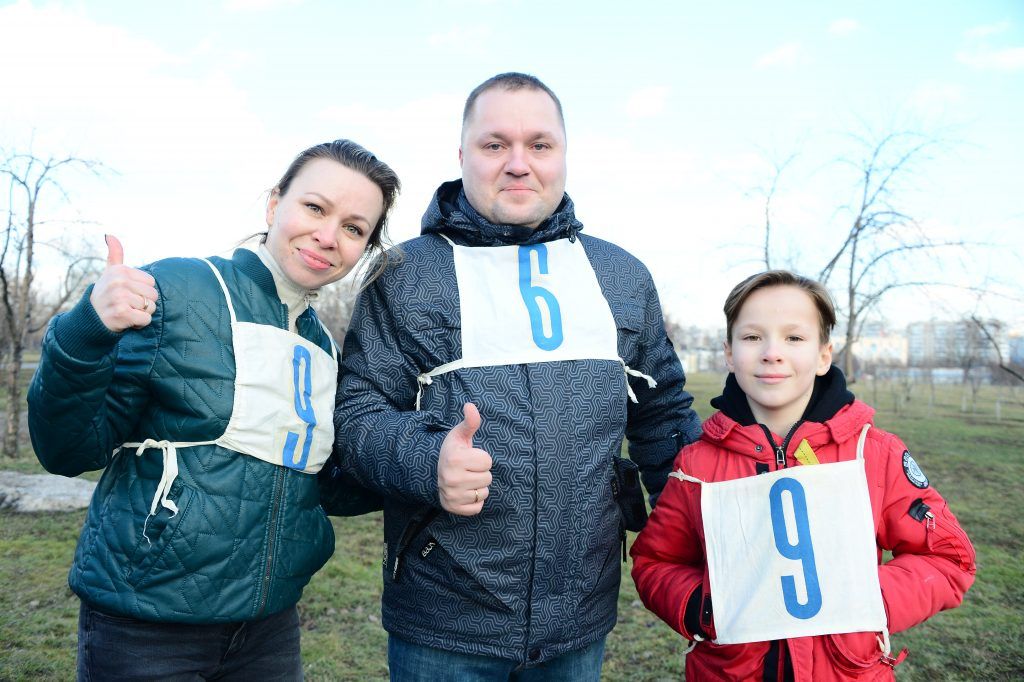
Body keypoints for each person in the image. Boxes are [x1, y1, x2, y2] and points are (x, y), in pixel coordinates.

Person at [331, 72, 702, 680]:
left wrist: (706, 527)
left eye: (539, 144)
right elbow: (357, 415)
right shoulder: (404, 273)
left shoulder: (622, 275)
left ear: (564, 154)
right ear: (462, 156)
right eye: (494, 144)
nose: (518, 164)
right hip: (443, 623)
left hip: (578, 619)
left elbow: (665, 417)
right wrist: (428, 464)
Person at [27, 139, 399, 680]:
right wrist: (86, 331)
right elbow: (67, 449)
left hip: (268, 630)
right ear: (275, 205)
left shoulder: (324, 348)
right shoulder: (179, 288)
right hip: (146, 627)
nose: (328, 236)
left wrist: (417, 461)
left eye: (354, 228)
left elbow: (317, 484)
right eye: (315, 208)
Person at [630, 270, 976, 681]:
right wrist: (703, 606)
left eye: (794, 338)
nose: (772, 352)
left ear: (824, 354)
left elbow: (948, 557)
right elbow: (656, 561)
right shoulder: (698, 466)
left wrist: (869, 598)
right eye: (752, 337)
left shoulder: (874, 454)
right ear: (728, 352)